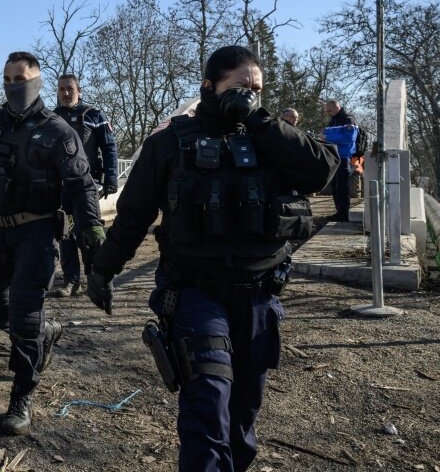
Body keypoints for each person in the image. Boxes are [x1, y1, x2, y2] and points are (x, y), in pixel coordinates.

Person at [87, 46, 339, 471]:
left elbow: (323, 170)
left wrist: (259, 120)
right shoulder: (170, 143)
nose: (250, 95)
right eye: (240, 87)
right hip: (195, 293)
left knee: (243, 415)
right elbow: (133, 216)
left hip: (259, 296)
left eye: (257, 89)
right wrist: (103, 270)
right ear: (209, 86)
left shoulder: (271, 138)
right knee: (207, 403)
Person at [0, 51, 104, 435]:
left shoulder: (58, 130)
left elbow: (81, 185)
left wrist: (93, 232)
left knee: (25, 316)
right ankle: (45, 331)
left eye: (21, 79)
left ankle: (22, 394)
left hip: (38, 232)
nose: (13, 85)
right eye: (8, 79)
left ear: (38, 81)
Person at [51, 74, 118, 297]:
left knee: (90, 232)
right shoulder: (51, 118)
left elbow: (109, 148)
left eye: (70, 89)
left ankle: (95, 278)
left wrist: (111, 178)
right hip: (60, 187)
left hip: (87, 185)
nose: (65, 93)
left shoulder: (94, 115)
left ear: (79, 91)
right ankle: (71, 280)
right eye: (61, 89)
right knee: (65, 232)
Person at [324, 100, 357, 222]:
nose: (328, 113)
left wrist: (326, 137)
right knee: (335, 186)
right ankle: (339, 212)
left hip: (344, 156)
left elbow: (349, 138)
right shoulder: (333, 121)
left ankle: (343, 214)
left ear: (337, 108)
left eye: (329, 111)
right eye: (326, 111)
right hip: (334, 156)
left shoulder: (348, 120)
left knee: (342, 186)